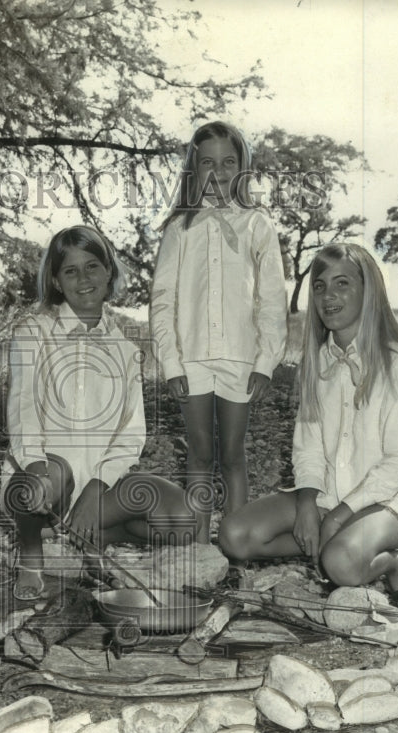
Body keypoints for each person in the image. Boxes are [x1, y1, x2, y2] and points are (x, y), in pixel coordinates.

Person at [218, 242, 398, 615]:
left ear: (369, 291)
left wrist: (339, 516)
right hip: (327, 493)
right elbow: (308, 445)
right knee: (233, 536)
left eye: (342, 284)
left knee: (340, 566)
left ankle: (396, 562)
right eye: (319, 286)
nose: (328, 296)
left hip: (385, 502)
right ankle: (328, 544)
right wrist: (307, 503)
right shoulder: (317, 363)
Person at [2, 225, 198, 600]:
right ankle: (31, 553)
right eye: (70, 271)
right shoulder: (33, 331)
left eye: (92, 266)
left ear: (109, 272)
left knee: (181, 518)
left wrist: (95, 489)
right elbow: (22, 406)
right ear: (57, 282)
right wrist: (37, 471)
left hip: (100, 487)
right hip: (42, 480)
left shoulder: (125, 350)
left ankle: (89, 534)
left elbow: (130, 436)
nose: (83, 278)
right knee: (38, 483)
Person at [149, 121, 287, 543]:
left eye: (228, 162)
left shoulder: (257, 226)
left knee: (231, 454)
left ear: (242, 167)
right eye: (208, 163)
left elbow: (272, 301)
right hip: (191, 360)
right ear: (194, 169)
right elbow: (163, 299)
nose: (219, 171)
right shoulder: (179, 228)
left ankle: (237, 540)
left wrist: (266, 362)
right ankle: (197, 544)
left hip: (239, 359)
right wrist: (170, 362)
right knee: (200, 452)